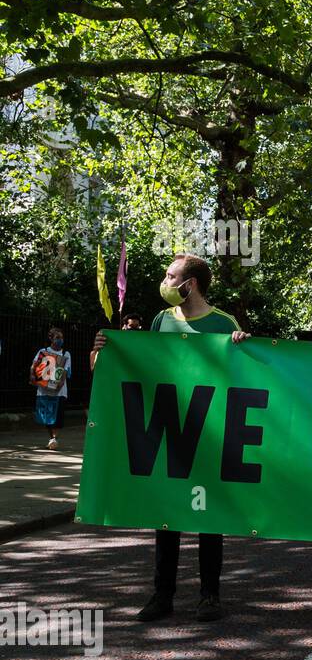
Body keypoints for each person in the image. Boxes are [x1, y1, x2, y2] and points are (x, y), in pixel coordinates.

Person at [92, 255, 250, 623]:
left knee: (210, 517)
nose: (165, 281)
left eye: (170, 275)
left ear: (190, 283)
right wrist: (111, 346)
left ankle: (210, 595)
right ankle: (162, 594)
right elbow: (149, 367)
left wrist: (243, 343)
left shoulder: (223, 322)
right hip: (169, 430)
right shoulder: (162, 320)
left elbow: (243, 374)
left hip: (209, 433)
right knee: (165, 516)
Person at [30, 327, 71, 450]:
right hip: (43, 389)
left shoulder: (66, 354)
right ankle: (52, 438)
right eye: (57, 337)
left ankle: (54, 438)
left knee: (57, 416)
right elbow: (34, 365)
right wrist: (32, 375)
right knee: (47, 416)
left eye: (62, 337)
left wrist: (61, 383)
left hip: (59, 391)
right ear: (51, 338)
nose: (60, 340)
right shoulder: (43, 351)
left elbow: (65, 371)